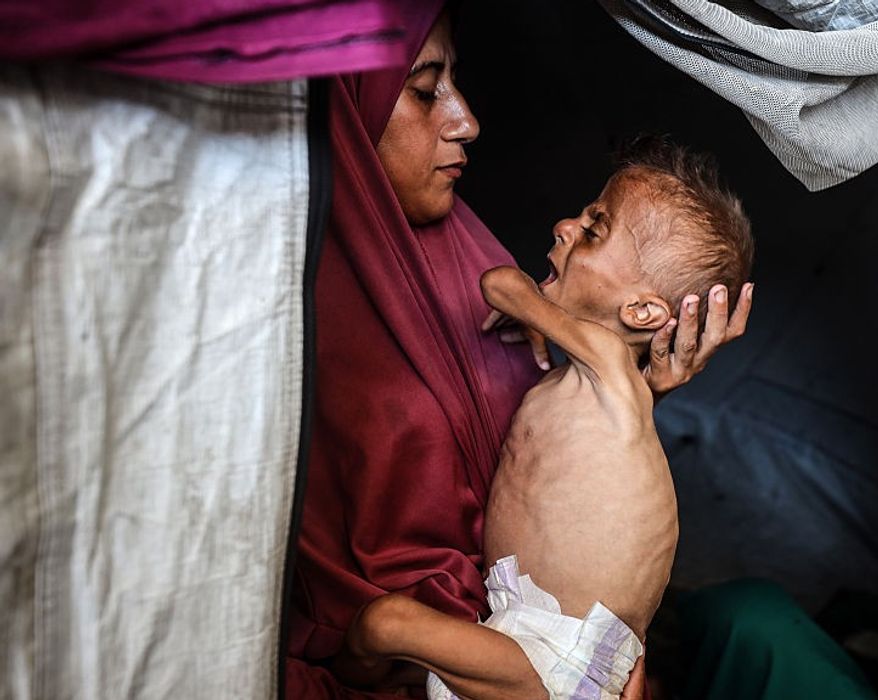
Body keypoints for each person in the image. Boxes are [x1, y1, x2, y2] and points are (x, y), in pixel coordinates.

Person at [286, 7, 752, 698]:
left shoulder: (478, 261)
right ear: (353, 102)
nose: (466, 121)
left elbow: (578, 491)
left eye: (592, 228)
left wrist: (641, 386)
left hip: (520, 650)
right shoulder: (279, 300)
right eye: (423, 89)